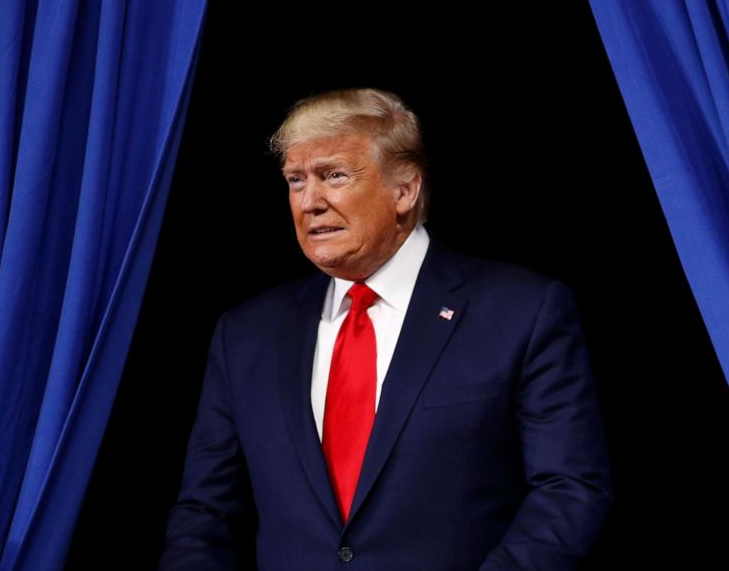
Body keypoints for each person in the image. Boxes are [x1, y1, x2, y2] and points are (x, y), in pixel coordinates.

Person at [159, 88, 613, 570]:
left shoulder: (522, 311)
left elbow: (570, 490)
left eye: (333, 175)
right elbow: (204, 514)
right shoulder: (245, 334)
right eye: (295, 180)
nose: (310, 201)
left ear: (404, 190)